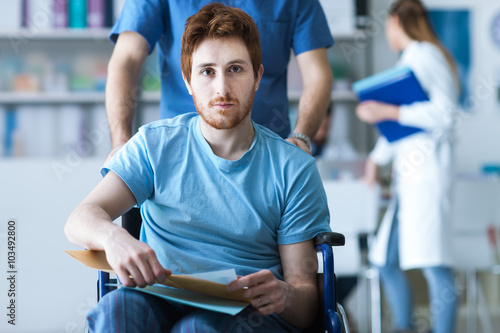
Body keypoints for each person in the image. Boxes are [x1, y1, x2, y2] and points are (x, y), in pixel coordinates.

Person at [65, 4, 331, 332]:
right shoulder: (153, 145)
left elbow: (306, 306)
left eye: (236, 69)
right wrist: (113, 237)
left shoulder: (294, 169)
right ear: (188, 81)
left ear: (258, 76)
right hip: (157, 295)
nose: (222, 89)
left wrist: (286, 296)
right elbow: (80, 218)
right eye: (207, 71)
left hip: (245, 311)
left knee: (199, 328)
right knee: (114, 312)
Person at [105, 0, 334, 158]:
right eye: (208, 71)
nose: (222, 88)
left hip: (269, 155)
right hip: (179, 154)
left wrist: (302, 136)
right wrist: (121, 142)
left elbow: (318, 74)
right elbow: (126, 61)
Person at [355, 1, 460, 333]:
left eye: (387, 25)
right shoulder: (411, 59)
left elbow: (446, 115)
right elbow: (403, 131)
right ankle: (405, 327)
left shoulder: (426, 55)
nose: (387, 33)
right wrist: (375, 157)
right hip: (410, 180)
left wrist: (389, 112)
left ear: (396, 20)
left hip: (427, 178)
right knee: (384, 259)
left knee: (434, 265)